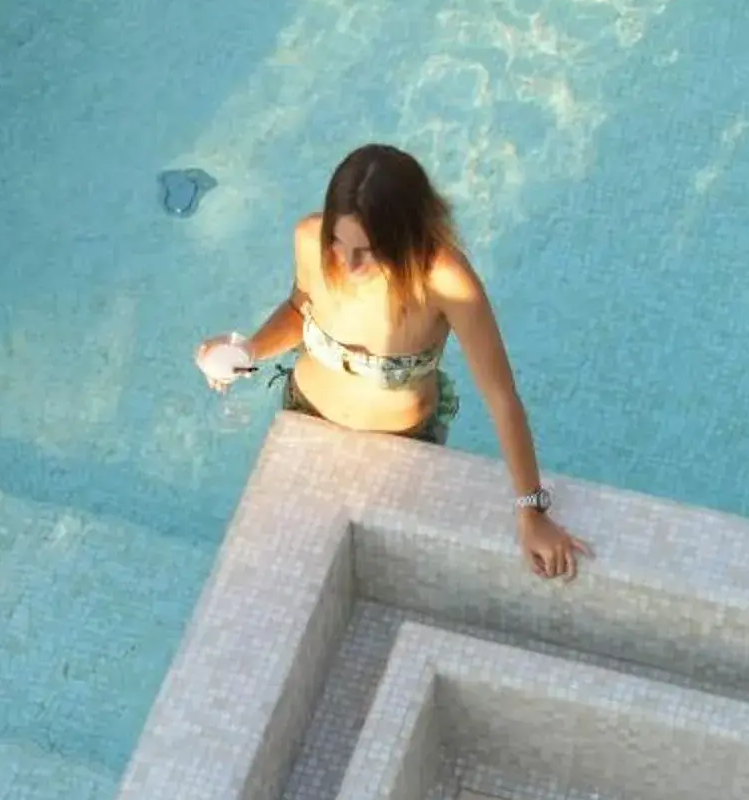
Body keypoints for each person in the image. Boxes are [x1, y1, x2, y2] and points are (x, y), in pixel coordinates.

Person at [197, 143, 588, 580]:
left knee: (391, 576)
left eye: (367, 250)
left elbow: (502, 399)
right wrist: (247, 351)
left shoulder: (445, 281)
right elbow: (299, 307)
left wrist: (531, 513)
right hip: (305, 414)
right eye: (338, 242)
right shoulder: (310, 239)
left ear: (404, 236)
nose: (346, 261)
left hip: (400, 447)